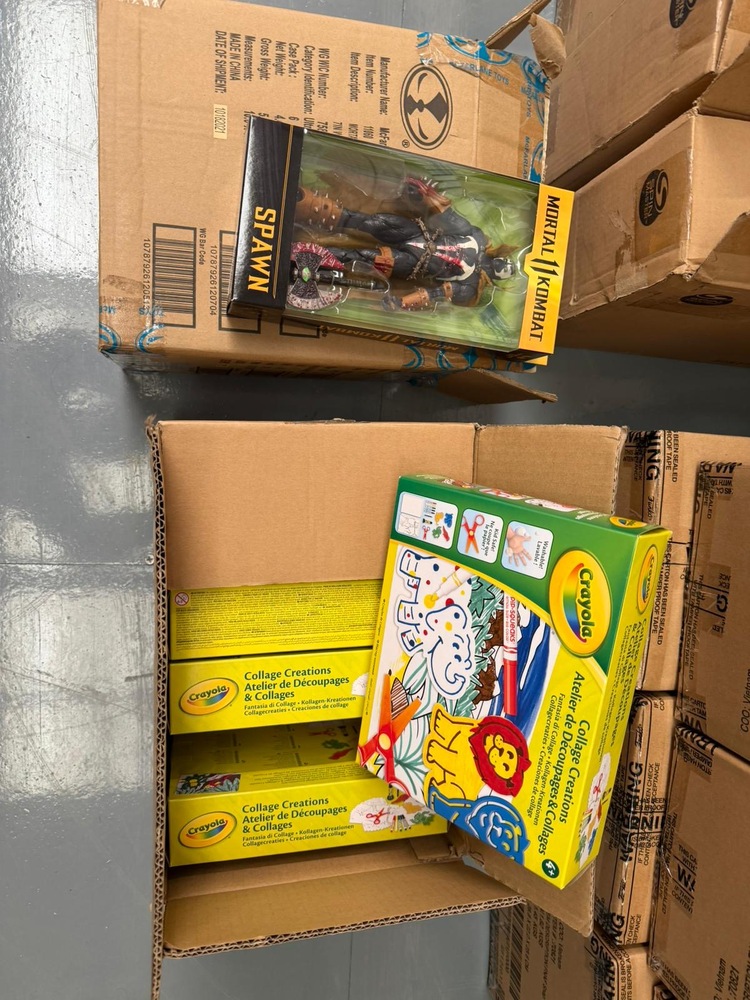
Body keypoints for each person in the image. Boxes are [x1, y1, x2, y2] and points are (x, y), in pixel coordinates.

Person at [295, 177, 516, 312]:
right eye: (506, 263)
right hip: (418, 233)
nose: (503, 265)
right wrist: (425, 194)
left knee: (360, 258)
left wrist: (403, 302)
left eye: (505, 269)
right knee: (369, 221)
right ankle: (307, 206)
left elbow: (436, 294)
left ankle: (308, 257)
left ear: (500, 278)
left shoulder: (471, 286)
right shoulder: (477, 238)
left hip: (412, 263)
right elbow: (449, 217)